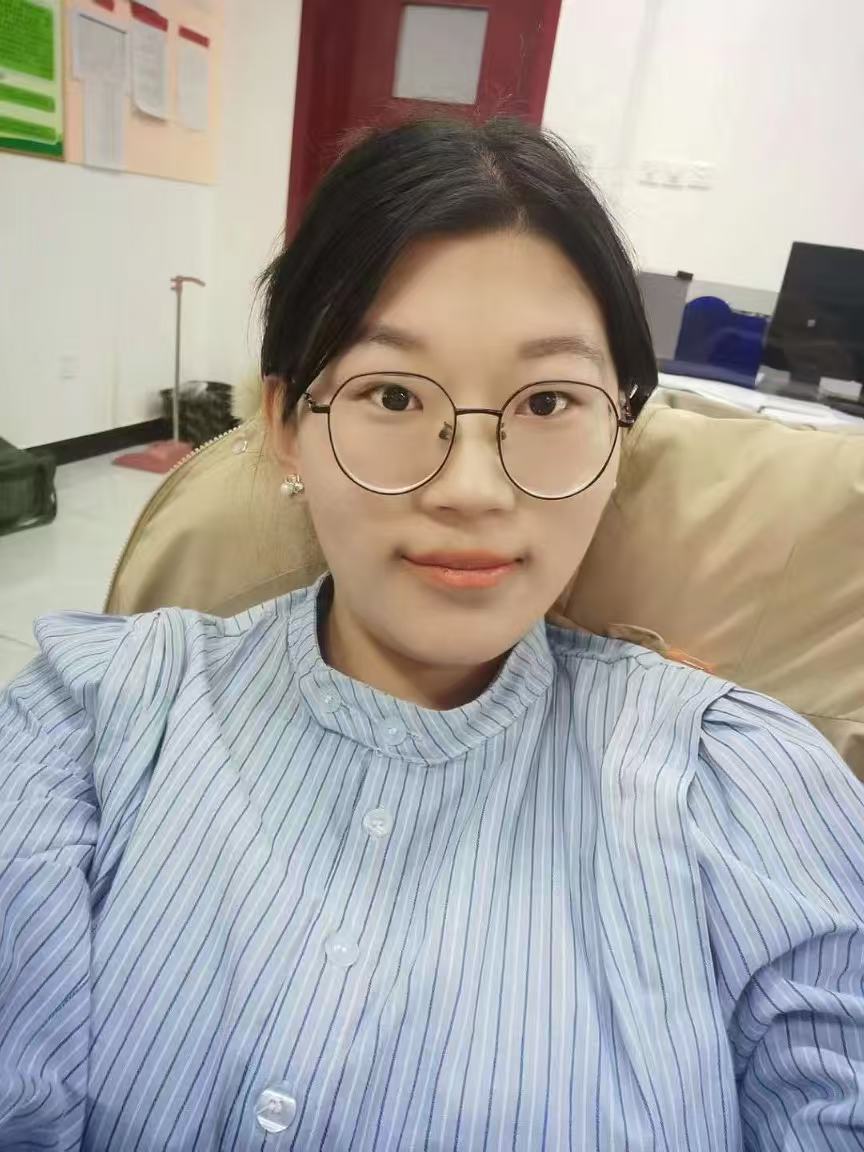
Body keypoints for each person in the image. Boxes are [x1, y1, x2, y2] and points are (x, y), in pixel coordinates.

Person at [1, 118, 862, 1152]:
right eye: (393, 393)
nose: (472, 489)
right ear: (284, 426)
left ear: (620, 433)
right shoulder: (92, 720)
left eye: (550, 400)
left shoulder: (748, 788)